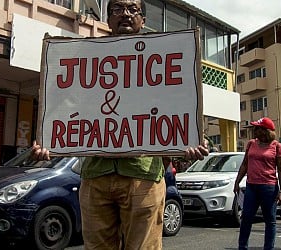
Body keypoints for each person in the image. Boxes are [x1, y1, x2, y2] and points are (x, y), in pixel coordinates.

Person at [32, 1, 209, 248]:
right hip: (95, 176)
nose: (124, 14)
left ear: (143, 19)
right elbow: (68, 109)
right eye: (116, 9)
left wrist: (191, 142)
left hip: (143, 175)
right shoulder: (85, 57)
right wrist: (49, 142)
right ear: (107, 18)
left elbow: (176, 112)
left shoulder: (163, 58)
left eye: (132, 9)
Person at [233, 117, 281, 250]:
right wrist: (237, 181)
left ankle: (268, 248)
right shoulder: (251, 143)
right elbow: (245, 164)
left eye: (257, 128)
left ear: (265, 131)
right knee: (246, 218)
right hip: (251, 186)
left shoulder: (277, 146)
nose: (254, 130)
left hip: (268, 187)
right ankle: (242, 247)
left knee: (270, 221)